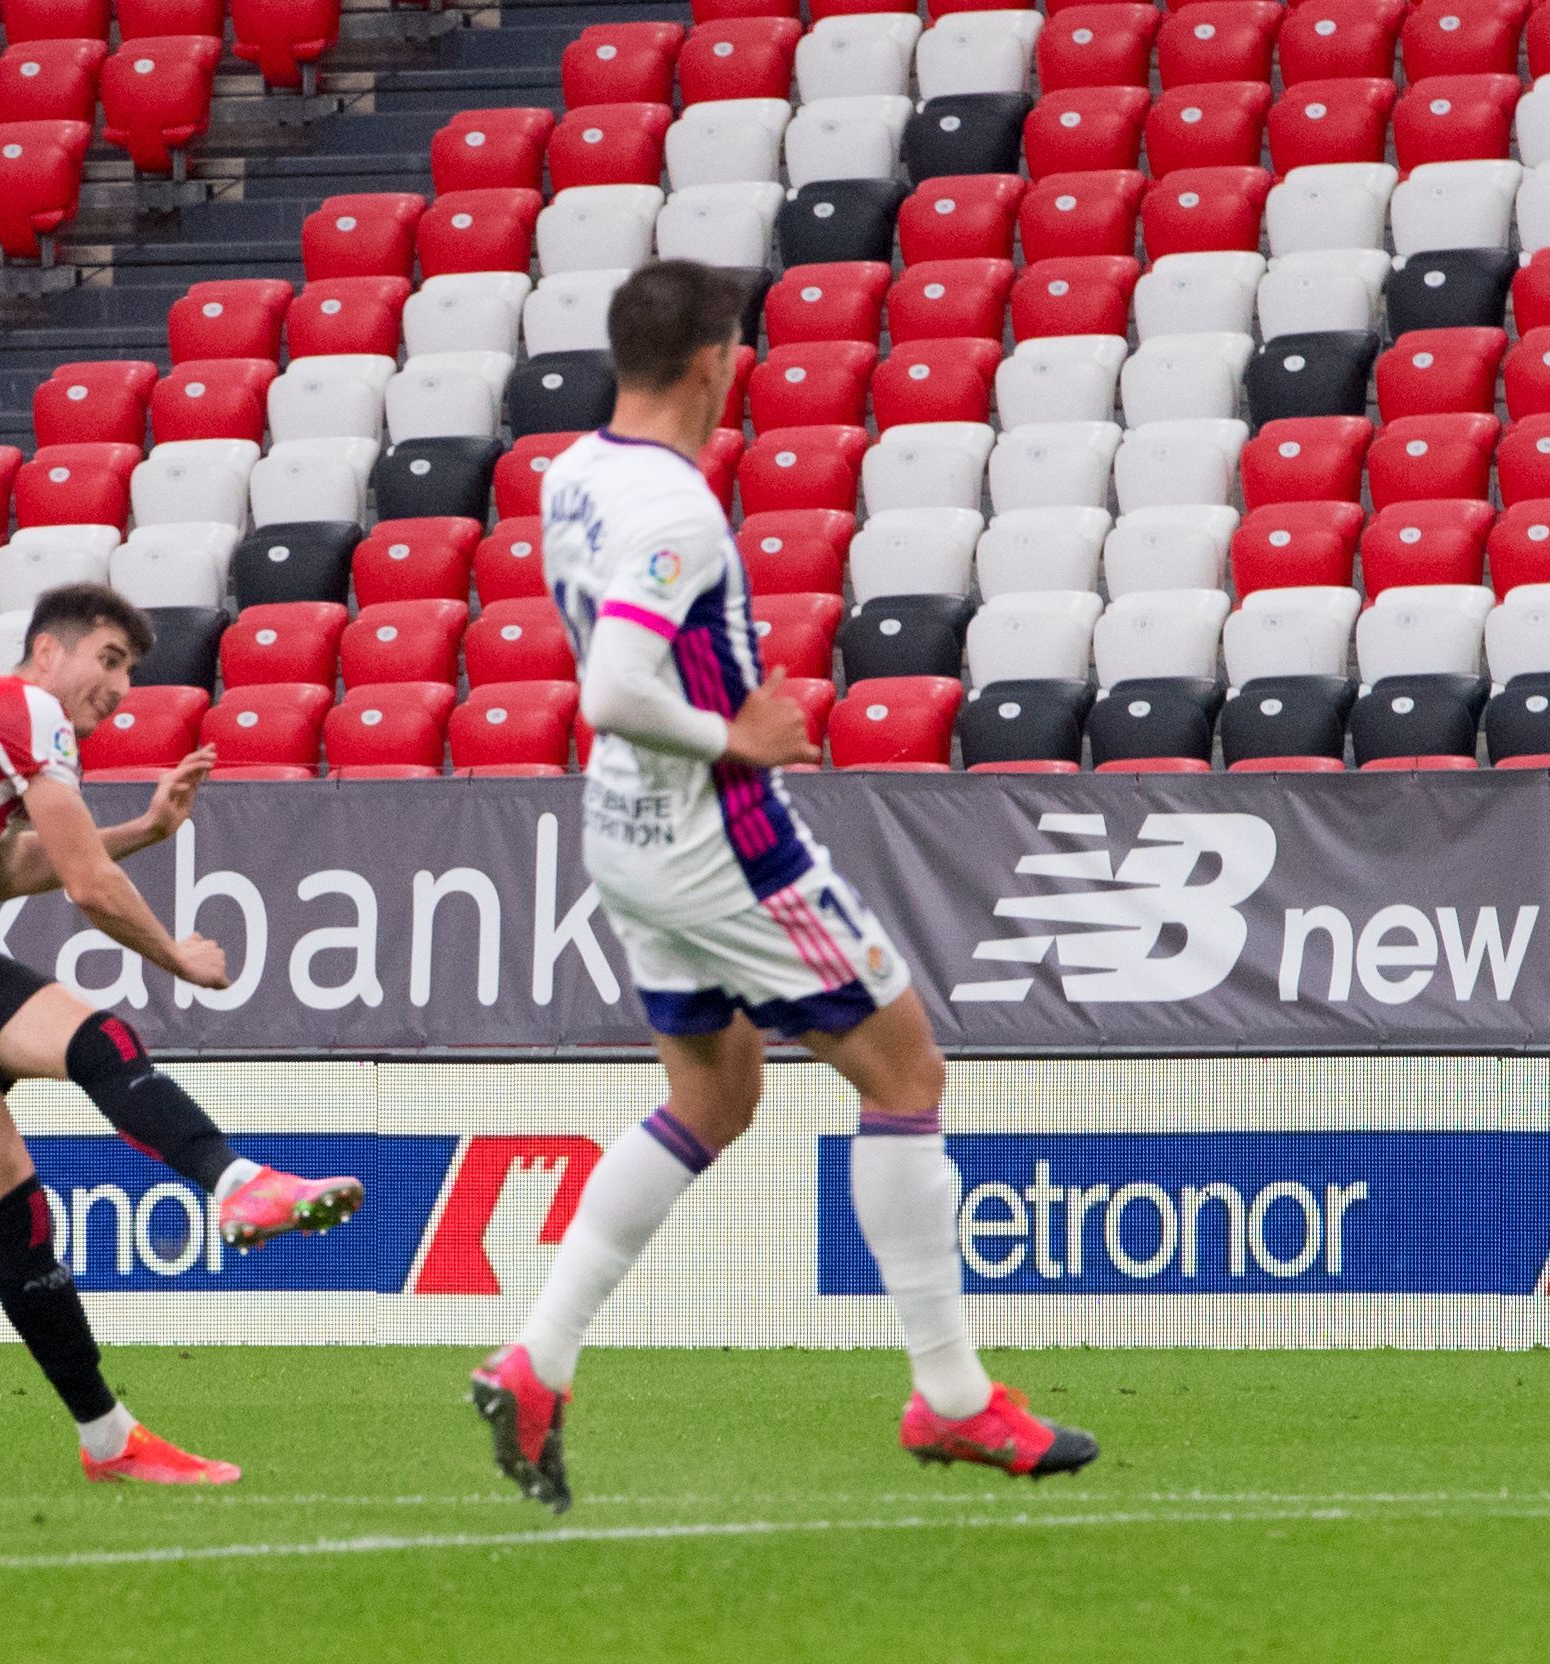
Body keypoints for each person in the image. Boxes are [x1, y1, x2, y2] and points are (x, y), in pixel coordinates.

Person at [469, 259, 1096, 1514]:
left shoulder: (573, 473)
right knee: (905, 1072)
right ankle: (954, 1398)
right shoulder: (676, 505)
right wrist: (736, 737)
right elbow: (616, 688)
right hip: (719, 836)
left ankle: (536, 1362)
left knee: (711, 1096)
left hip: (625, 834)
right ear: (714, 361)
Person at [0, 584, 365, 1486]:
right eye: (108, 659)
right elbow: (87, 886)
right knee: (17, 1207)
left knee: (102, 1037)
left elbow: (7, 870)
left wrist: (145, 826)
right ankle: (110, 1440)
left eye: (131, 672)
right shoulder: (24, 709)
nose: (120, 687)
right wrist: (178, 954)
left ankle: (240, 1184)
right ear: (48, 652)